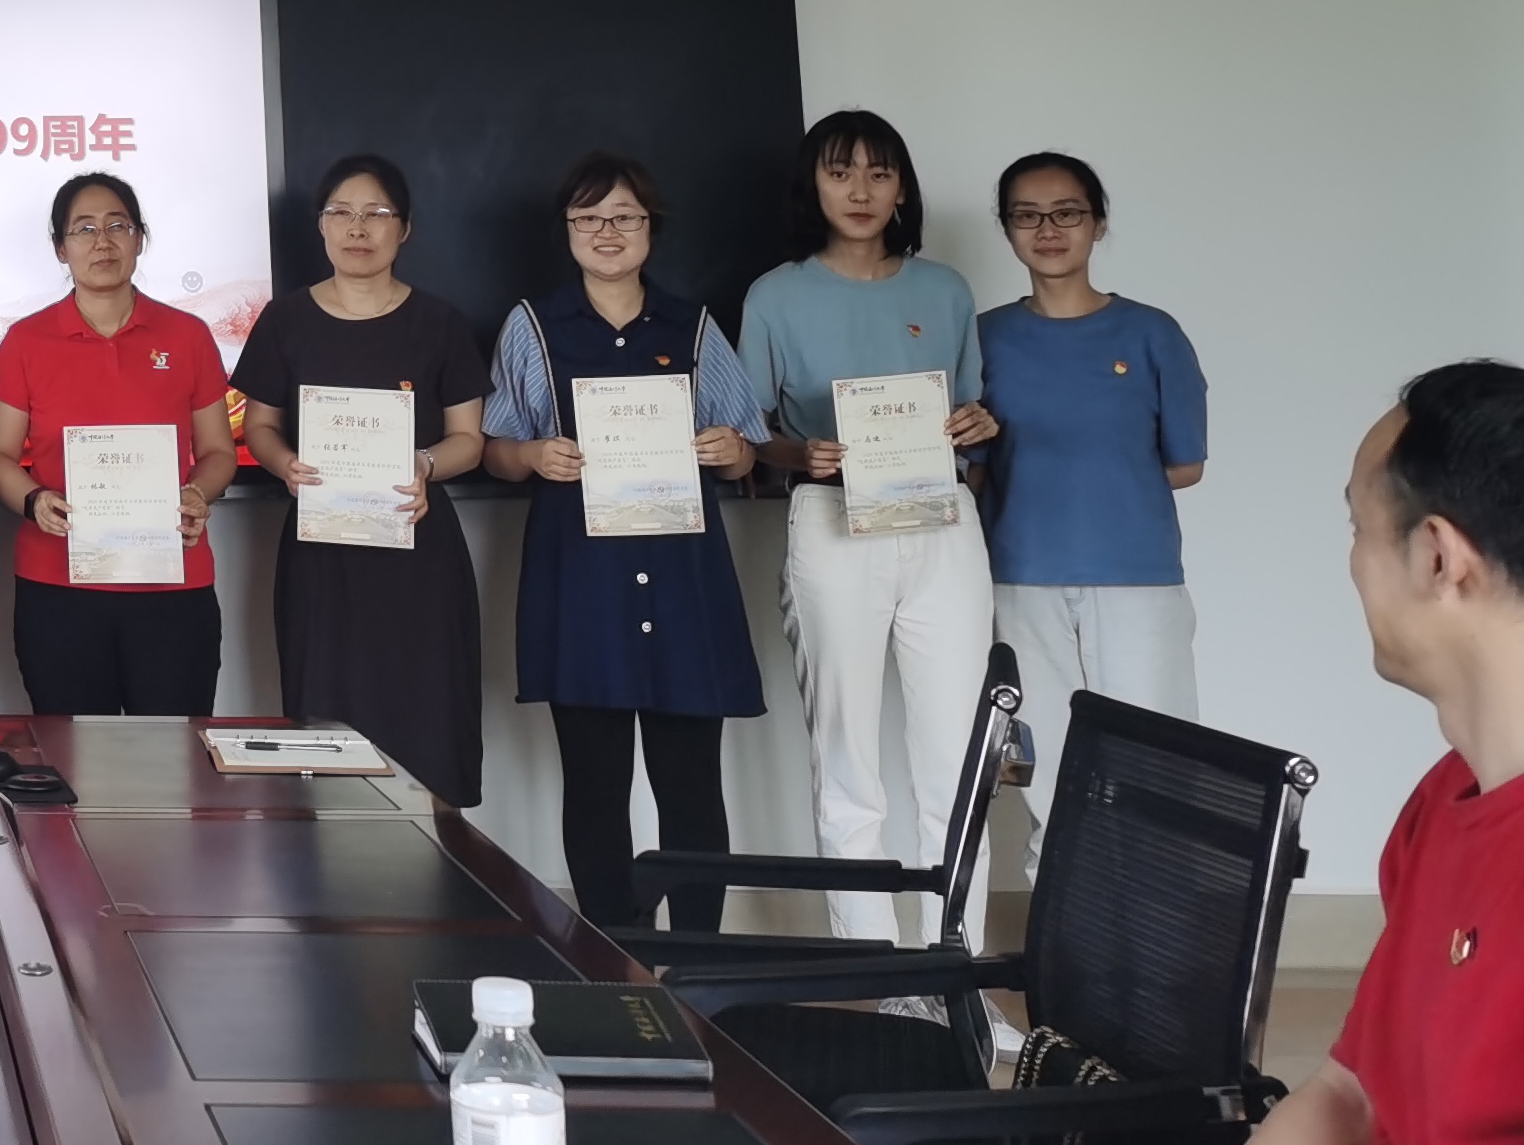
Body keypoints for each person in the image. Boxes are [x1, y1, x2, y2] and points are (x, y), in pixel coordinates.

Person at [1206, 362, 1524, 1145]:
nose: (1351, 562)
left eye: (1359, 527)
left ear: (1437, 557)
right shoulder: (1445, 800)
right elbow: (1351, 1095)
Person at [482, 152, 767, 933]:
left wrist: (730, 450)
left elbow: (746, 450)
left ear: (651, 228)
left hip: (683, 576)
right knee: (595, 782)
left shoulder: (694, 326)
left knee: (692, 783)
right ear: (566, 229)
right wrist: (532, 456)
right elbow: (496, 450)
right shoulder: (532, 326)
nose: (607, 232)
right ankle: (614, 954)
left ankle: (699, 962)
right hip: (582, 577)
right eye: (589, 218)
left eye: (625, 217)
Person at [737, 110, 1002, 948]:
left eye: (880, 173)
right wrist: (798, 452)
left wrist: (978, 424)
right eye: (840, 171)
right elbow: (748, 434)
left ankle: (955, 968)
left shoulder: (945, 289)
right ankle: (877, 967)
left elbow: (970, 407)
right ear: (812, 185)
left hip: (941, 521)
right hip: (832, 519)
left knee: (958, 757)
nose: (860, 190)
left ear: (903, 191)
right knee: (847, 753)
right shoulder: (775, 295)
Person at [976, 151, 1209, 877]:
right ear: (1007, 229)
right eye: (1027, 215)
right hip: (1019, 578)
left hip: (1137, 581)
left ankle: (1153, 931)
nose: (1048, 229)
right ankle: (1064, 932)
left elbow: (1186, 464)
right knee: (1044, 768)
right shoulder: (982, 338)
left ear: (1098, 223)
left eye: (1067, 213)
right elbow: (971, 466)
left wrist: (1099, 485)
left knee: (1152, 760)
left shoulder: (1151, 333)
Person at [231, 152, 490, 802]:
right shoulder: (286, 320)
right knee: (327, 724)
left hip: (417, 553)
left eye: (376, 213)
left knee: (426, 721)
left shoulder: (440, 323)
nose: (357, 227)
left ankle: (435, 862)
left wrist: (425, 464)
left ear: (404, 228)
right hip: (322, 558)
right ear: (320, 225)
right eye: (341, 212)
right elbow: (259, 426)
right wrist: (282, 463)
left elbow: (470, 440)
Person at [0, 170, 236, 716]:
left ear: (139, 238)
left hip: (172, 584)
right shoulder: (26, 340)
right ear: (60, 247)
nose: (103, 242)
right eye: (85, 229)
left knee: (173, 753)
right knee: (73, 753)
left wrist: (197, 494)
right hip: (58, 586)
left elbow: (219, 452)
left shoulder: (187, 335)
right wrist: (33, 499)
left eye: (118, 226)